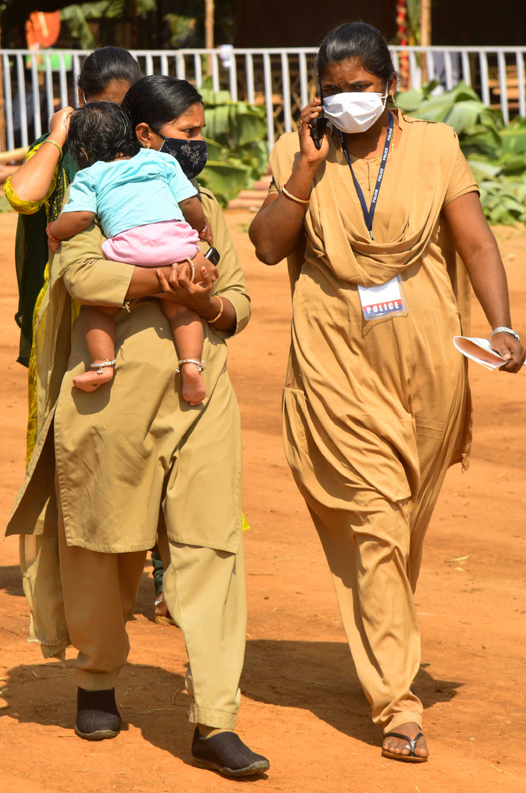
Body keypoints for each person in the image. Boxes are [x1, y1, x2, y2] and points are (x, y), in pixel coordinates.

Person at [249, 22, 524, 764]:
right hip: (336, 361)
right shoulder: (297, 150)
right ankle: (398, 702)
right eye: (331, 93)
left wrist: (504, 328)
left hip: (429, 365)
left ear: (390, 87)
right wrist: (304, 171)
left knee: (404, 527)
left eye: (359, 90)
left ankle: (383, 637)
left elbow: (476, 242)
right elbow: (269, 245)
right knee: (374, 522)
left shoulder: (435, 146)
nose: (345, 104)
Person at [6, 74, 270, 778]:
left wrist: (208, 306)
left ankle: (216, 718)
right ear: (147, 137)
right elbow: (82, 277)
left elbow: (238, 300)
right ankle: (97, 680)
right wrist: (174, 283)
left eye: (199, 134)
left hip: (200, 396)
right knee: (101, 546)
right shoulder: (91, 195)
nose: (199, 147)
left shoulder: (205, 208)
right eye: (187, 135)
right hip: (109, 407)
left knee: (212, 550)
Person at [4, 46, 142, 460]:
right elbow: (22, 196)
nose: (112, 123)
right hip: (64, 311)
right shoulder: (56, 151)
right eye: (103, 109)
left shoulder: (145, 149)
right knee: (62, 437)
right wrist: (57, 135)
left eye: (124, 110)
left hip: (132, 304)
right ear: (81, 98)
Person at [46, 100, 211, 404]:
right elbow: (190, 203)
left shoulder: (89, 175)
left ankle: (103, 366)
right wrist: (202, 229)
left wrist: (54, 230)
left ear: (82, 152)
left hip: (130, 253)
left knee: (97, 311)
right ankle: (190, 365)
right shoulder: (160, 162)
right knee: (182, 310)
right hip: (179, 249)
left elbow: (81, 216)